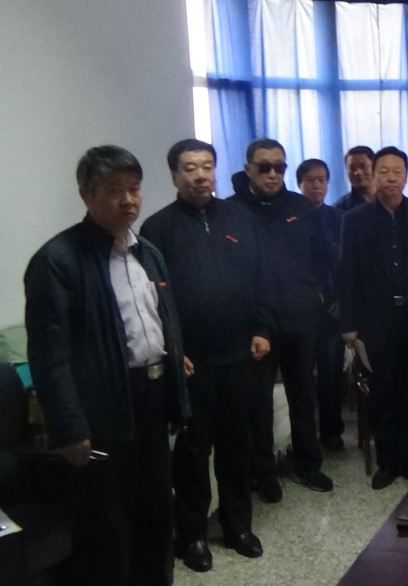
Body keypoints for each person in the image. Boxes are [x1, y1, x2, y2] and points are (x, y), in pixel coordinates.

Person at [24, 145, 189, 586]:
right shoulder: (58, 260)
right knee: (107, 524)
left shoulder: (146, 252)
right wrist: (70, 427)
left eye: (134, 188)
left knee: (156, 511)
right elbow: (49, 353)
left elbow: (160, 320)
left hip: (153, 398)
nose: (129, 200)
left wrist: (175, 367)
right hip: (102, 407)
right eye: (115, 190)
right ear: (86, 194)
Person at [140, 139, 273, 567]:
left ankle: (237, 526)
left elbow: (259, 276)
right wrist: (171, 350)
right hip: (191, 363)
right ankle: (193, 535)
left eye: (207, 166)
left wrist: (262, 327)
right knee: (193, 453)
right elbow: (153, 301)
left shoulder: (238, 216)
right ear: (174, 175)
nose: (200, 176)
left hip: (239, 355)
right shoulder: (157, 229)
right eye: (190, 168)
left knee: (237, 446)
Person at [339, 146, 408, 489]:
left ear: (406, 176)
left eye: (397, 171)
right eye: (384, 171)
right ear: (374, 175)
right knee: (384, 394)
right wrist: (349, 323)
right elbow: (347, 274)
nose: (391, 177)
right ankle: (388, 462)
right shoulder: (354, 220)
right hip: (377, 321)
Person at [230, 139, 335, 496]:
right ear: (248, 169)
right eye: (265, 167)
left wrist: (316, 296)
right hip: (254, 327)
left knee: (303, 394)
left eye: (280, 167)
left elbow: (321, 258)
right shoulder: (231, 211)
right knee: (258, 402)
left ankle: (308, 464)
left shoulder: (300, 207)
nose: (273, 174)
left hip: (298, 319)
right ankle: (263, 473)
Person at [296, 158, 346, 451]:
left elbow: (347, 265)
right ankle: (304, 438)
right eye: (311, 180)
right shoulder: (291, 218)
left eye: (322, 180)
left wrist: (339, 300)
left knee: (331, 375)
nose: (317, 185)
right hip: (300, 311)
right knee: (302, 378)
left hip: (333, 311)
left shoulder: (338, 218)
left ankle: (331, 431)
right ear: (300, 183)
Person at [332, 145, 376, 211]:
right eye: (352, 168)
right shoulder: (340, 208)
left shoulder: (390, 199)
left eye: (363, 166)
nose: (357, 172)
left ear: (375, 167)